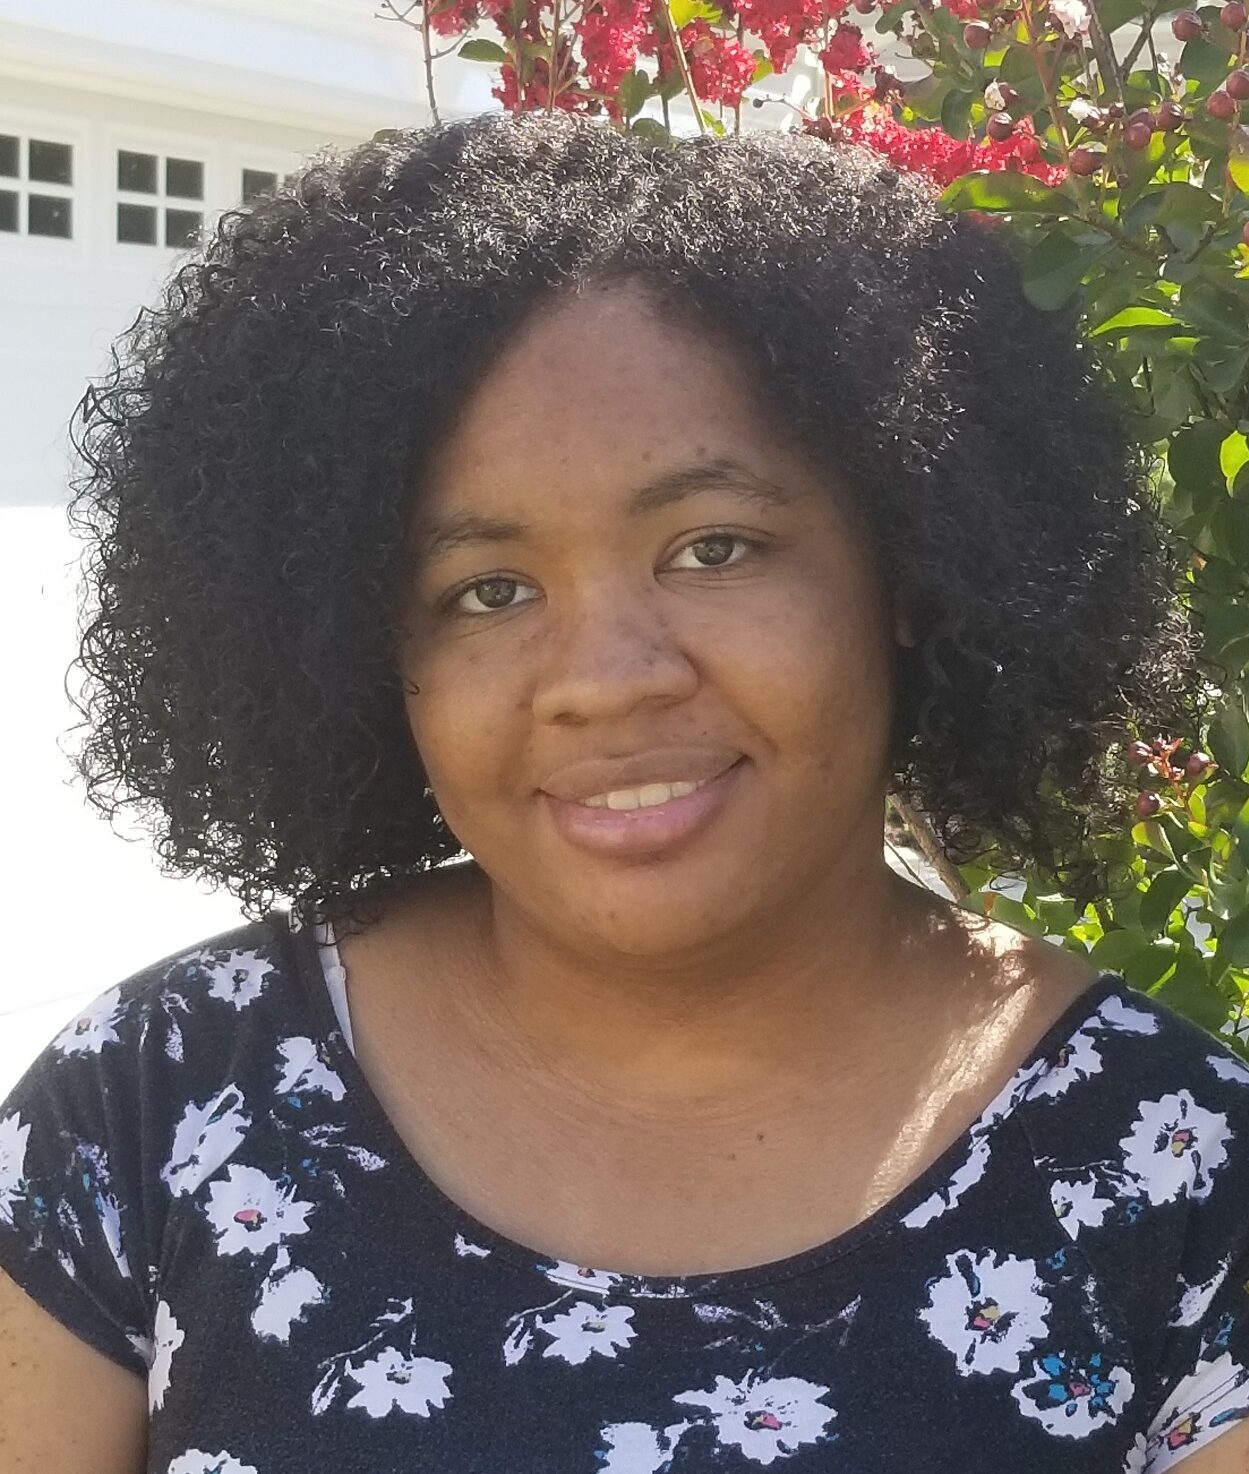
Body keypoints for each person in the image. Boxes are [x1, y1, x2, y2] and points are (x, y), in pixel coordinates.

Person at [0, 108, 1245, 1474]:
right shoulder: (157, 1105)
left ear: (905, 566)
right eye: (488, 589)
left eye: (714, 547)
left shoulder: (1179, 1182)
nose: (603, 678)